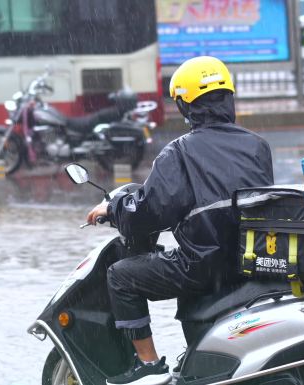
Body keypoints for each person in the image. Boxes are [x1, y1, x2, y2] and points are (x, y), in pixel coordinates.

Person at [86, 56, 274, 385]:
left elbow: (149, 212)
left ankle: (149, 367)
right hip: (251, 262)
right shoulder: (257, 146)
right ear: (229, 97)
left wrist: (112, 209)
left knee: (120, 276)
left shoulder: (180, 152)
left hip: (203, 265)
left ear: (186, 106)